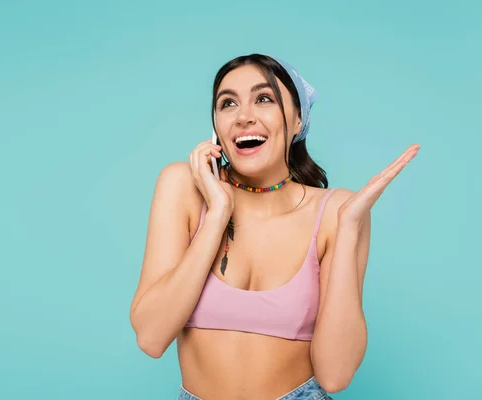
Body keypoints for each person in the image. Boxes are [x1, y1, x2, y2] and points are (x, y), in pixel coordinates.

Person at [129, 53, 419, 399]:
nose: (244, 117)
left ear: (298, 119)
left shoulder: (337, 210)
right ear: (216, 126)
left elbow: (335, 375)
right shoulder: (184, 187)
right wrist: (218, 213)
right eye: (228, 103)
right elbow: (151, 337)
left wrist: (349, 228)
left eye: (263, 98)